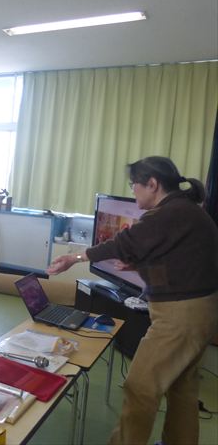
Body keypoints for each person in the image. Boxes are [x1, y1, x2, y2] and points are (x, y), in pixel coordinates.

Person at [47, 156, 218, 445]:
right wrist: (139, 267)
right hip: (200, 311)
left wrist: (73, 258)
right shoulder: (185, 209)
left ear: (152, 184)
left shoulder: (168, 213)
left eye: (134, 185)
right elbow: (183, 267)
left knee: (140, 388)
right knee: (182, 389)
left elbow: (122, 243)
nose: (133, 191)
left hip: (180, 318)